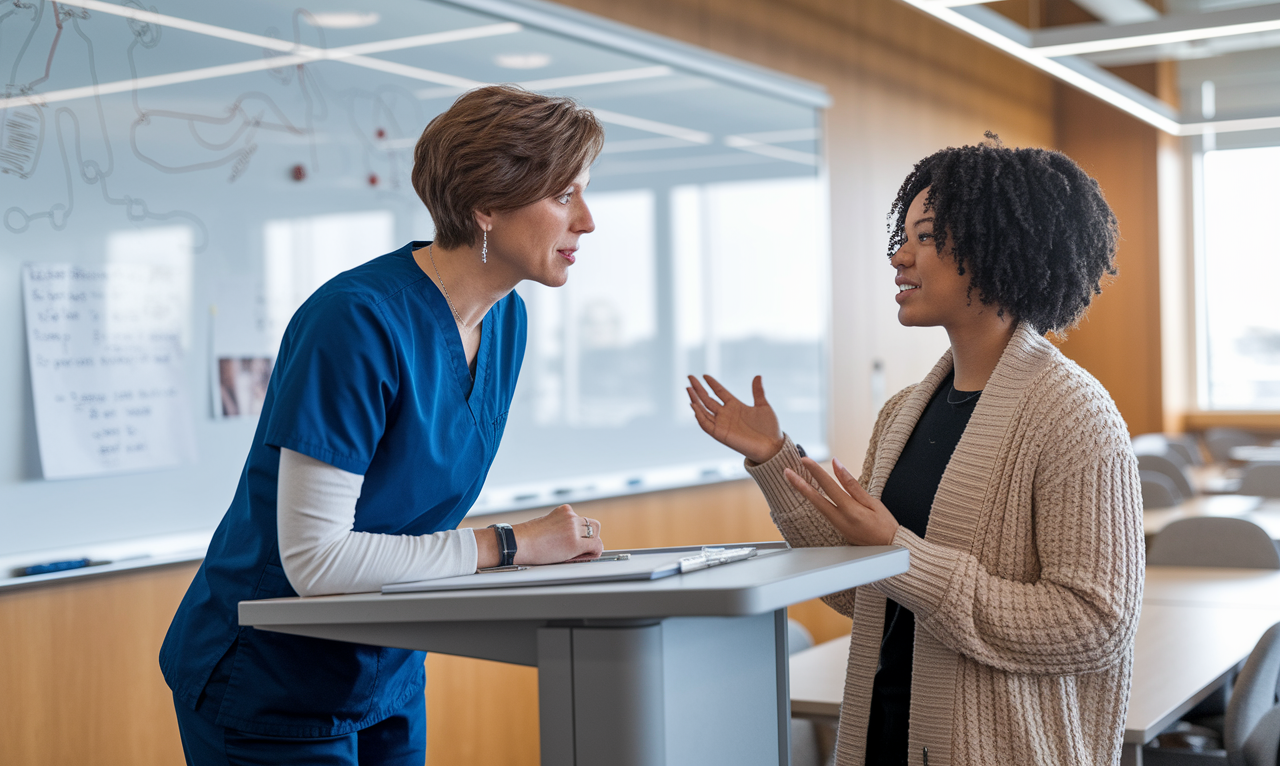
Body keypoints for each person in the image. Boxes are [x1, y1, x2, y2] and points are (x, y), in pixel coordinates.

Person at [160, 85, 608, 765]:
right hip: (268, 679)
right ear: (486, 205)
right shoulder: (355, 320)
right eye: (565, 195)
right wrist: (510, 545)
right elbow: (316, 560)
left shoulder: (504, 321)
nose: (589, 221)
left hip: (385, 671)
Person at [687, 136, 1143, 766]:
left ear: (994, 247)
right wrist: (775, 460)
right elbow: (866, 590)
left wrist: (902, 553)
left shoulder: (1073, 414)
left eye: (924, 237)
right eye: (902, 237)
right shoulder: (905, 409)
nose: (898, 257)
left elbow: (1096, 624)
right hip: (885, 736)